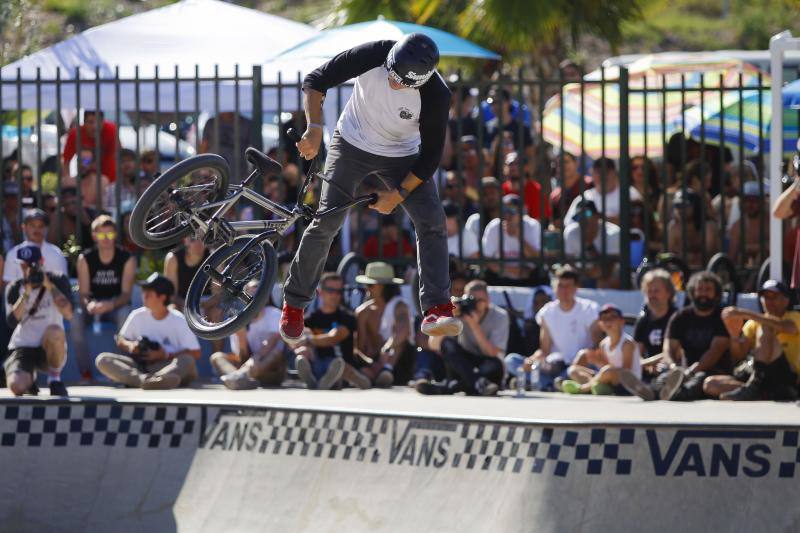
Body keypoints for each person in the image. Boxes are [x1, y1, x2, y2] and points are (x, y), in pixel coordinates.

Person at [280, 34, 461, 343]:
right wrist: (314, 128)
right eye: (392, 75)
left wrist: (399, 194)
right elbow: (316, 80)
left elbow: (431, 156)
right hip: (352, 142)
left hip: (404, 154)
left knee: (431, 220)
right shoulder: (376, 52)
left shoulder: (436, 95)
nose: (394, 84)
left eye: (403, 83)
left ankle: (437, 307)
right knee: (327, 221)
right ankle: (295, 304)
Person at [95, 274, 201, 390]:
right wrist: (131, 346)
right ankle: (146, 381)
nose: (144, 297)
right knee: (103, 359)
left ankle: (152, 379)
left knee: (188, 361)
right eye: (143, 293)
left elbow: (195, 353)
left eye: (148, 294)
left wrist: (165, 354)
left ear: (162, 297)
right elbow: (121, 339)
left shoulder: (179, 319)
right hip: (141, 367)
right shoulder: (137, 315)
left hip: (167, 365)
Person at [703, 280, 800, 401]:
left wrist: (744, 313)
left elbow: (788, 327)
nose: (769, 301)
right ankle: (763, 392)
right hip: (760, 375)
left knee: (765, 328)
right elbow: (738, 356)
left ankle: (757, 388)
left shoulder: (794, 316)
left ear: (786, 301)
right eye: (766, 297)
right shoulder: (752, 323)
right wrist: (734, 336)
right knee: (710, 384)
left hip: (785, 375)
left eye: (774, 297)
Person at [510, 265, 601, 390]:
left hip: (579, 367)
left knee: (571, 372)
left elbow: (597, 347)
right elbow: (544, 350)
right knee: (511, 361)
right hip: (553, 366)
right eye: (560, 286)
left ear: (576, 288)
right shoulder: (547, 312)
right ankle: (552, 384)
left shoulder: (589, 309)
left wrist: (580, 361)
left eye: (568, 286)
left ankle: (547, 384)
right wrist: (531, 361)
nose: (563, 291)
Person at [71, 215, 136, 382]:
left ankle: (122, 372)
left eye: (109, 234)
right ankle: (85, 372)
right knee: (75, 319)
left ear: (115, 234)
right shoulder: (85, 258)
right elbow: (83, 294)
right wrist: (90, 304)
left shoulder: (127, 258)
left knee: (125, 316)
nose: (105, 239)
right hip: (93, 306)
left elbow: (126, 294)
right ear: (94, 236)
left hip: (116, 305)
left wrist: (110, 304)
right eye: (101, 235)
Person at [418, 279, 508, 396]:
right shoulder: (459, 311)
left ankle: (451, 387)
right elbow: (433, 344)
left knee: (494, 365)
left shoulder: (500, 316)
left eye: (481, 300)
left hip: (487, 364)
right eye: (472, 300)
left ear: (488, 300)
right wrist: (449, 318)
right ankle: (478, 383)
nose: (476, 304)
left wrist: (474, 326)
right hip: (463, 363)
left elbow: (492, 353)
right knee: (447, 343)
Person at [4, 245, 72, 396]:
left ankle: (55, 379)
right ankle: (29, 379)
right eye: (24, 265)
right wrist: (26, 292)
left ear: (42, 261)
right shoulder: (15, 287)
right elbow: (11, 321)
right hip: (24, 346)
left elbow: (68, 313)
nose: (28, 268)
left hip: (49, 346)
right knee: (16, 386)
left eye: (32, 264)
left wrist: (49, 286)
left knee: (55, 331)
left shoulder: (57, 279)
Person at [656, 271, 731, 401]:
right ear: (692, 292)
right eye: (699, 289)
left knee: (693, 385)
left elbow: (713, 353)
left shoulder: (722, 318)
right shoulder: (680, 317)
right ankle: (651, 390)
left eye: (708, 290)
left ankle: (674, 394)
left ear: (716, 294)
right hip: (683, 370)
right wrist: (674, 368)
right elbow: (668, 349)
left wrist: (689, 372)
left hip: (712, 372)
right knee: (661, 380)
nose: (703, 293)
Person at [293, 272, 365, 390]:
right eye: (330, 290)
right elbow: (294, 338)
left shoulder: (348, 317)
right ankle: (315, 380)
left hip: (341, 367)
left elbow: (333, 338)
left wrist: (308, 339)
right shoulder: (311, 318)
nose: (335, 295)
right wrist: (300, 346)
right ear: (320, 292)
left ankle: (324, 382)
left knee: (337, 365)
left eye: (339, 291)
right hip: (317, 363)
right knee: (303, 349)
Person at [210, 282, 286, 390]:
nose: (253, 297)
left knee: (275, 353)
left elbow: (270, 344)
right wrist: (242, 338)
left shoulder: (274, 314)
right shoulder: (238, 319)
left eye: (257, 293)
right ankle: (241, 380)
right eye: (249, 293)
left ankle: (238, 378)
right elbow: (241, 357)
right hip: (248, 366)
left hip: (270, 369)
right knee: (217, 357)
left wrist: (252, 361)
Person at [353, 262, 415, 387]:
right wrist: (371, 362)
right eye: (366, 284)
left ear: (384, 286)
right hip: (375, 361)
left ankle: (387, 370)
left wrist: (386, 347)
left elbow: (404, 331)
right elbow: (361, 347)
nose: (367, 288)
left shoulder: (400, 306)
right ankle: (369, 377)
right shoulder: (362, 312)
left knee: (399, 342)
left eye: (370, 285)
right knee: (366, 371)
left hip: (401, 361)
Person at [561, 304, 642, 395]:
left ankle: (583, 389)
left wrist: (604, 367)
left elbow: (627, 373)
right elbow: (605, 367)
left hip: (628, 385)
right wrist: (598, 362)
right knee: (573, 370)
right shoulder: (603, 344)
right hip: (609, 379)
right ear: (600, 325)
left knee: (607, 371)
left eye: (613, 317)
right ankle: (598, 387)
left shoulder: (627, 344)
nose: (608, 322)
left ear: (622, 322)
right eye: (604, 318)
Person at [481, 194, 542, 285]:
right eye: (504, 211)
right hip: (500, 276)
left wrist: (518, 236)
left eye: (512, 211)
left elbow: (537, 258)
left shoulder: (532, 225)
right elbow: (486, 259)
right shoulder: (494, 226)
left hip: (528, 277)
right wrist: (514, 271)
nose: (507, 215)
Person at [564, 157, 643, 225]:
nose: (602, 175)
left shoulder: (630, 194)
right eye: (598, 171)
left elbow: (640, 222)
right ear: (592, 173)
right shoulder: (585, 198)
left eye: (607, 171)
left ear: (615, 173)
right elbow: (569, 225)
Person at [563, 199, 621, 288]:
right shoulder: (571, 232)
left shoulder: (613, 233)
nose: (582, 219)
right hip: (581, 278)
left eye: (587, 214)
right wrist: (584, 275)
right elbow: (570, 265)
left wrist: (589, 244)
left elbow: (606, 271)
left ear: (597, 216)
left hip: (605, 279)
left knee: (605, 282)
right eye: (578, 217)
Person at [3, 208, 67, 284]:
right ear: (24, 227)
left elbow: (62, 285)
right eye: (32, 225)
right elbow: (9, 287)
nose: (37, 229)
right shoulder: (13, 254)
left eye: (41, 226)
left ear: (47, 228)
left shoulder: (56, 254)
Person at [61, 110, 117, 182]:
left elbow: (117, 156)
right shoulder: (75, 134)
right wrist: (67, 180)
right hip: (85, 178)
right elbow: (66, 161)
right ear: (84, 122)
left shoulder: (111, 130)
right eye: (91, 122)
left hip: (109, 177)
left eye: (98, 122)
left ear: (103, 121)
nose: (95, 126)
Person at [199, 112, 254, 182]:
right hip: (215, 175)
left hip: (239, 175)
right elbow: (204, 146)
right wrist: (203, 168)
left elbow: (254, 149)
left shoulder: (246, 124)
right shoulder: (211, 123)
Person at [164, 236, 210, 312]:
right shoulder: (173, 259)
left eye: (203, 239)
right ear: (185, 241)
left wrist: (201, 305)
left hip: (206, 303)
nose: (198, 243)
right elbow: (171, 294)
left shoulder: (215, 257)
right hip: (182, 303)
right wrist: (186, 305)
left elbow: (217, 295)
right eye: (193, 240)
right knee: (172, 309)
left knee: (216, 311)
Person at [501, 151, 550, 221]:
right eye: (510, 164)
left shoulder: (536, 190)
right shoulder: (500, 190)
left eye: (518, 164)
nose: (514, 167)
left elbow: (539, 220)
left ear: (526, 167)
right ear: (504, 168)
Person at [464, 176, 502, 241]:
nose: (490, 197)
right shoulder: (475, 221)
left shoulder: (510, 218)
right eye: (485, 194)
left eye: (492, 192)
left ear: (501, 194)